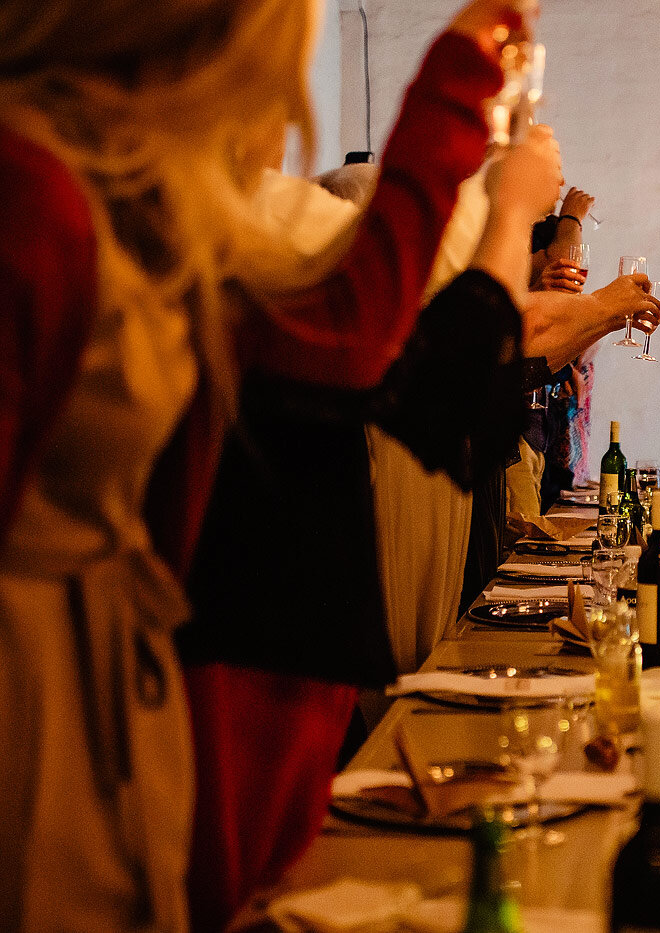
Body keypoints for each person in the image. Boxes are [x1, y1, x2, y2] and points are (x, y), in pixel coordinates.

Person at [0, 1, 537, 928]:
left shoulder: (145, 195)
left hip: (121, 687)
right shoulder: (33, 195)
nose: (282, 102)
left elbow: (349, 325)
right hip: (42, 693)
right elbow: (404, 355)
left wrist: (461, 90)